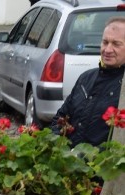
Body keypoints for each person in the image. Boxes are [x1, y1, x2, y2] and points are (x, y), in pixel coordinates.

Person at [52, 17, 125, 146]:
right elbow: (60, 118)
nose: (107, 50)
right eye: (105, 42)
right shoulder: (86, 78)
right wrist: (60, 148)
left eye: (116, 44)